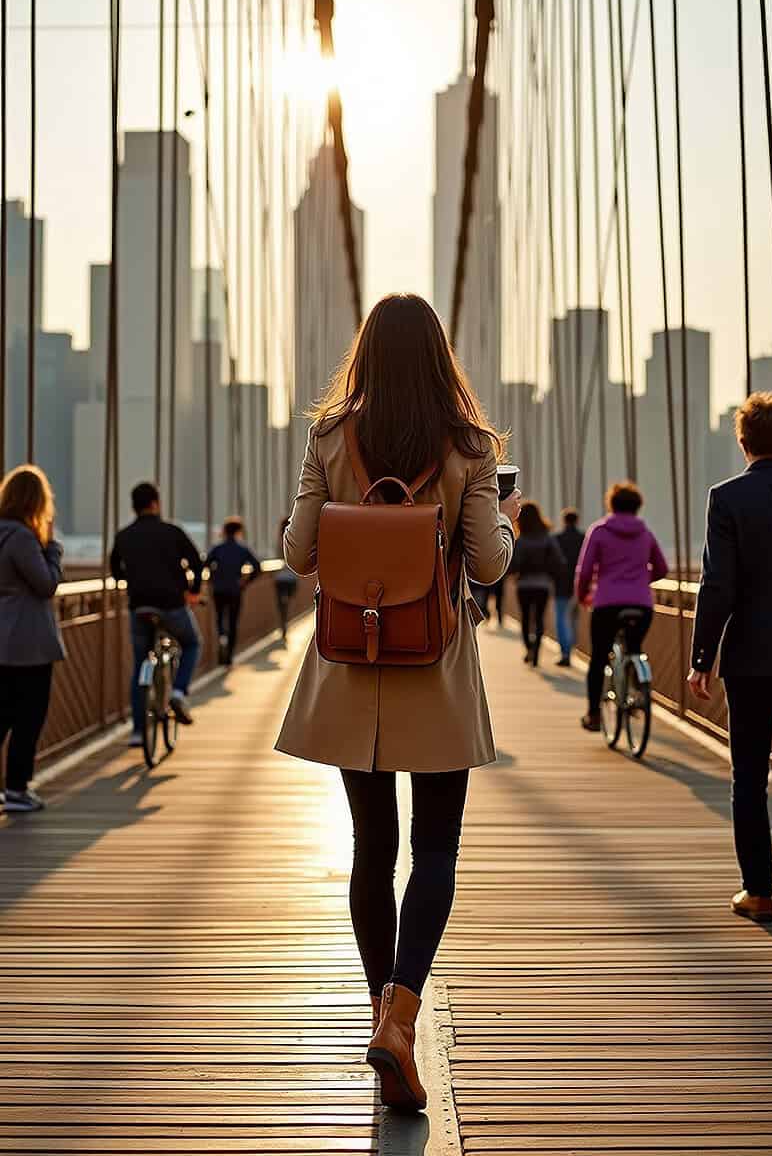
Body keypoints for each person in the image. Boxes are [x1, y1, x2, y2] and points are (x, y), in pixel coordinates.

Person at [275, 293, 519, 1112]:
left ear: (366, 354)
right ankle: (402, 1016)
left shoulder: (327, 436)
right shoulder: (469, 446)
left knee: (370, 847)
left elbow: (298, 552)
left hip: (351, 665)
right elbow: (486, 565)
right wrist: (505, 519)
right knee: (436, 848)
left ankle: (378, 1008)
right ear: (440, 356)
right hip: (436, 665)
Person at [688, 391, 772, 935]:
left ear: (743, 441)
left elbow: (719, 585)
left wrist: (702, 658)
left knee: (749, 779)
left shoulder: (727, 498)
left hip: (751, 656)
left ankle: (758, 893)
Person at [111, 482, 203, 745]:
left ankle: (138, 733)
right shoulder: (171, 532)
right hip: (172, 605)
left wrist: (133, 578)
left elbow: (116, 571)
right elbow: (196, 561)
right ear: (155, 503)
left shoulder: (123, 536)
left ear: (134, 507)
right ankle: (178, 691)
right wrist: (194, 591)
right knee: (192, 643)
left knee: (141, 664)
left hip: (139, 606)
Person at [576, 481, 668, 731]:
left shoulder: (599, 531)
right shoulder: (645, 533)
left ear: (611, 504)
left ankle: (594, 715)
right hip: (641, 604)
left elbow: (584, 572)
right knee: (634, 647)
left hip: (606, 604)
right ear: (638, 506)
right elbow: (662, 568)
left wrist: (583, 596)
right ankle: (637, 687)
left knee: (598, 657)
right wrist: (638, 580)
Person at [0, 466, 64, 812]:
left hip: (2, 640)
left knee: (2, 715)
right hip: (27, 643)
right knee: (29, 717)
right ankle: (17, 789)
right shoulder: (23, 538)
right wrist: (52, 549)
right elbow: (46, 584)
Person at [509, 501, 565, 667]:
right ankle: (537, 650)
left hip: (524, 584)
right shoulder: (547, 538)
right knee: (539, 619)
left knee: (526, 619)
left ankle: (529, 648)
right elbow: (558, 561)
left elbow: (514, 563)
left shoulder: (521, 540)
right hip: (543, 584)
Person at [205, 516, 261, 665]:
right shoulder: (242, 549)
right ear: (238, 531)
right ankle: (228, 655)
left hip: (218, 589)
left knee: (219, 618)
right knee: (233, 621)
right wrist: (245, 581)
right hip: (235, 590)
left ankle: (221, 637)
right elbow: (257, 566)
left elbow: (205, 564)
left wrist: (213, 577)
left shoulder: (217, 548)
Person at [554, 507, 584, 666]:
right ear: (577, 521)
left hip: (561, 584)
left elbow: (552, 562)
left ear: (564, 521)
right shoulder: (583, 538)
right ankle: (572, 647)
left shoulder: (557, 539)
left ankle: (565, 652)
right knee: (574, 618)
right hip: (579, 584)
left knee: (561, 618)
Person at [273, 517, 298, 643]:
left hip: (279, 578)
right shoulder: (294, 539)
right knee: (288, 602)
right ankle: (286, 625)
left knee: (281, 605)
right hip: (291, 578)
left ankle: (283, 626)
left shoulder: (279, 541)